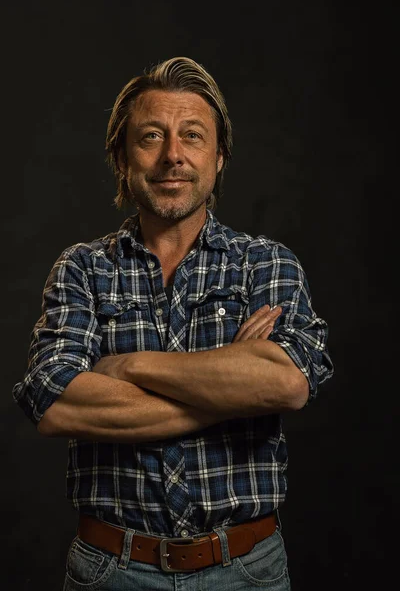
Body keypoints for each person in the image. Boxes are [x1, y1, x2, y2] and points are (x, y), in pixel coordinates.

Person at [13, 56, 334, 591]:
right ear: (122, 157)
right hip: (110, 570)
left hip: (246, 571)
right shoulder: (81, 269)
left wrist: (128, 366)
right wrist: (230, 387)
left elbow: (285, 383)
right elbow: (56, 403)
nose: (172, 156)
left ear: (219, 157)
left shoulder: (266, 264)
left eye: (192, 136)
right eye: (151, 137)